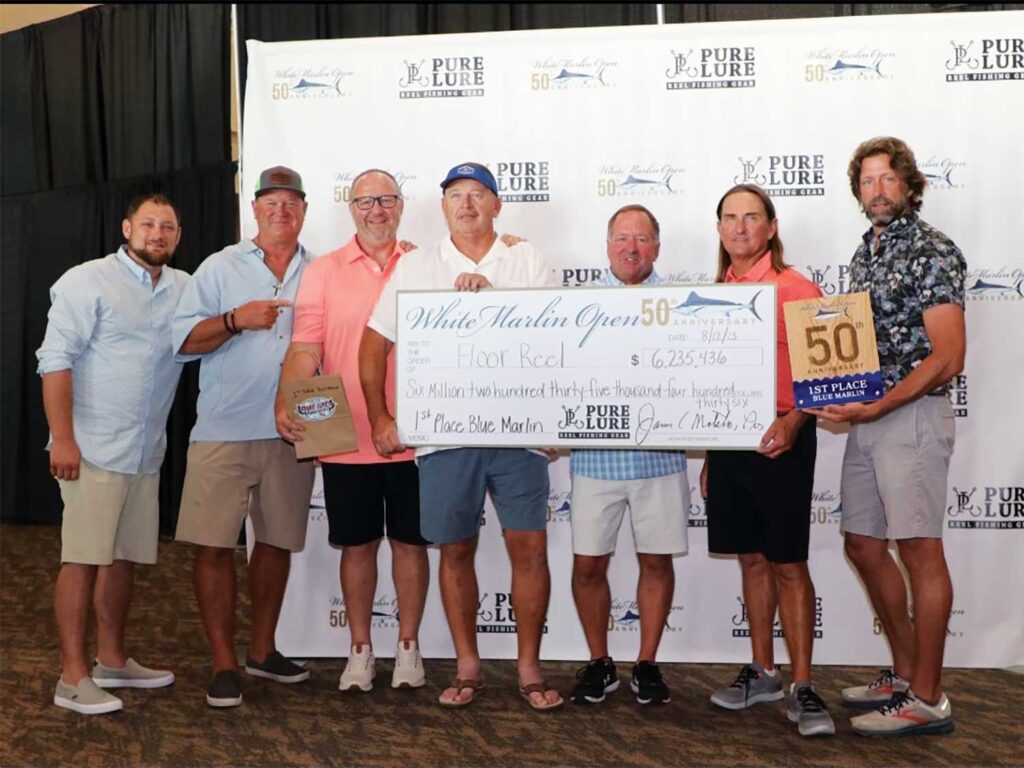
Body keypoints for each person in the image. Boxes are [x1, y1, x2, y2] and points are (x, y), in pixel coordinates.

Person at [360, 162, 563, 711]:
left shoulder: (527, 259)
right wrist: (381, 418)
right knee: (455, 551)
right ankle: (467, 665)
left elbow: (558, 338)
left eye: (478, 195)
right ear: (442, 205)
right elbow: (374, 345)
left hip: (518, 435)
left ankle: (528, 666)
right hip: (445, 439)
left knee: (531, 549)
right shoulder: (417, 265)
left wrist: (493, 297)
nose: (467, 204)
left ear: (497, 205)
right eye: (455, 195)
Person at [809, 137, 965, 738]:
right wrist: (839, 395)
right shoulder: (865, 253)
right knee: (862, 543)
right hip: (871, 417)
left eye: (887, 179)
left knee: (920, 548)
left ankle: (928, 698)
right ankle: (904, 673)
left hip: (913, 415)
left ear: (908, 185)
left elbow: (949, 355)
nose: (877, 190)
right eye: (867, 181)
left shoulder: (931, 250)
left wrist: (881, 403)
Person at [275, 169, 430, 693]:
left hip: (416, 435)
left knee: (410, 545)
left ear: (401, 205)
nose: (377, 211)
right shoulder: (322, 271)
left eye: (386, 200)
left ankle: (408, 648)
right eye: (366, 202)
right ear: (351, 208)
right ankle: (360, 650)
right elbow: (305, 348)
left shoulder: (425, 262)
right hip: (344, 436)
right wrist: (287, 397)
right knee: (357, 547)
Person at [38, 194, 189, 714]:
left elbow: (209, 337)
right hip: (92, 448)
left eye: (168, 226)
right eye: (148, 224)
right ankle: (71, 678)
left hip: (145, 452)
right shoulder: (87, 280)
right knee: (81, 559)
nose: (158, 233)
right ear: (127, 228)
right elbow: (55, 361)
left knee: (122, 558)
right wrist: (63, 438)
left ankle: (111, 661)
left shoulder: (184, 289)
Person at [173, 166, 316, 708]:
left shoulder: (320, 270)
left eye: (291, 202)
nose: (281, 211)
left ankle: (262, 649)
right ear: (253, 210)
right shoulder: (219, 267)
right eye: (270, 203)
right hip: (224, 429)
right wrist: (235, 319)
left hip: (294, 431)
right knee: (213, 546)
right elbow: (184, 341)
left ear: (304, 210)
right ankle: (223, 663)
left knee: (277, 542)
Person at [702, 184, 835, 737]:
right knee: (751, 559)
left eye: (751, 217)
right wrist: (709, 449)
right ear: (719, 229)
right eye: (729, 218)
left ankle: (803, 686)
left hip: (782, 437)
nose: (739, 227)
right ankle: (763, 671)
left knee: (787, 563)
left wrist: (795, 420)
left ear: (771, 227)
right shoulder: (715, 291)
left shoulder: (796, 285)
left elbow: (827, 371)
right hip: (730, 444)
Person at [568, 205, 688, 707]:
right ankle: (600, 661)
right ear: (607, 245)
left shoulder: (683, 304)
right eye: (622, 238)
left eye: (642, 239)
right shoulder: (576, 306)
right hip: (596, 460)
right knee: (589, 565)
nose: (631, 248)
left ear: (657, 247)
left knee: (656, 561)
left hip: (660, 459)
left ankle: (647, 662)